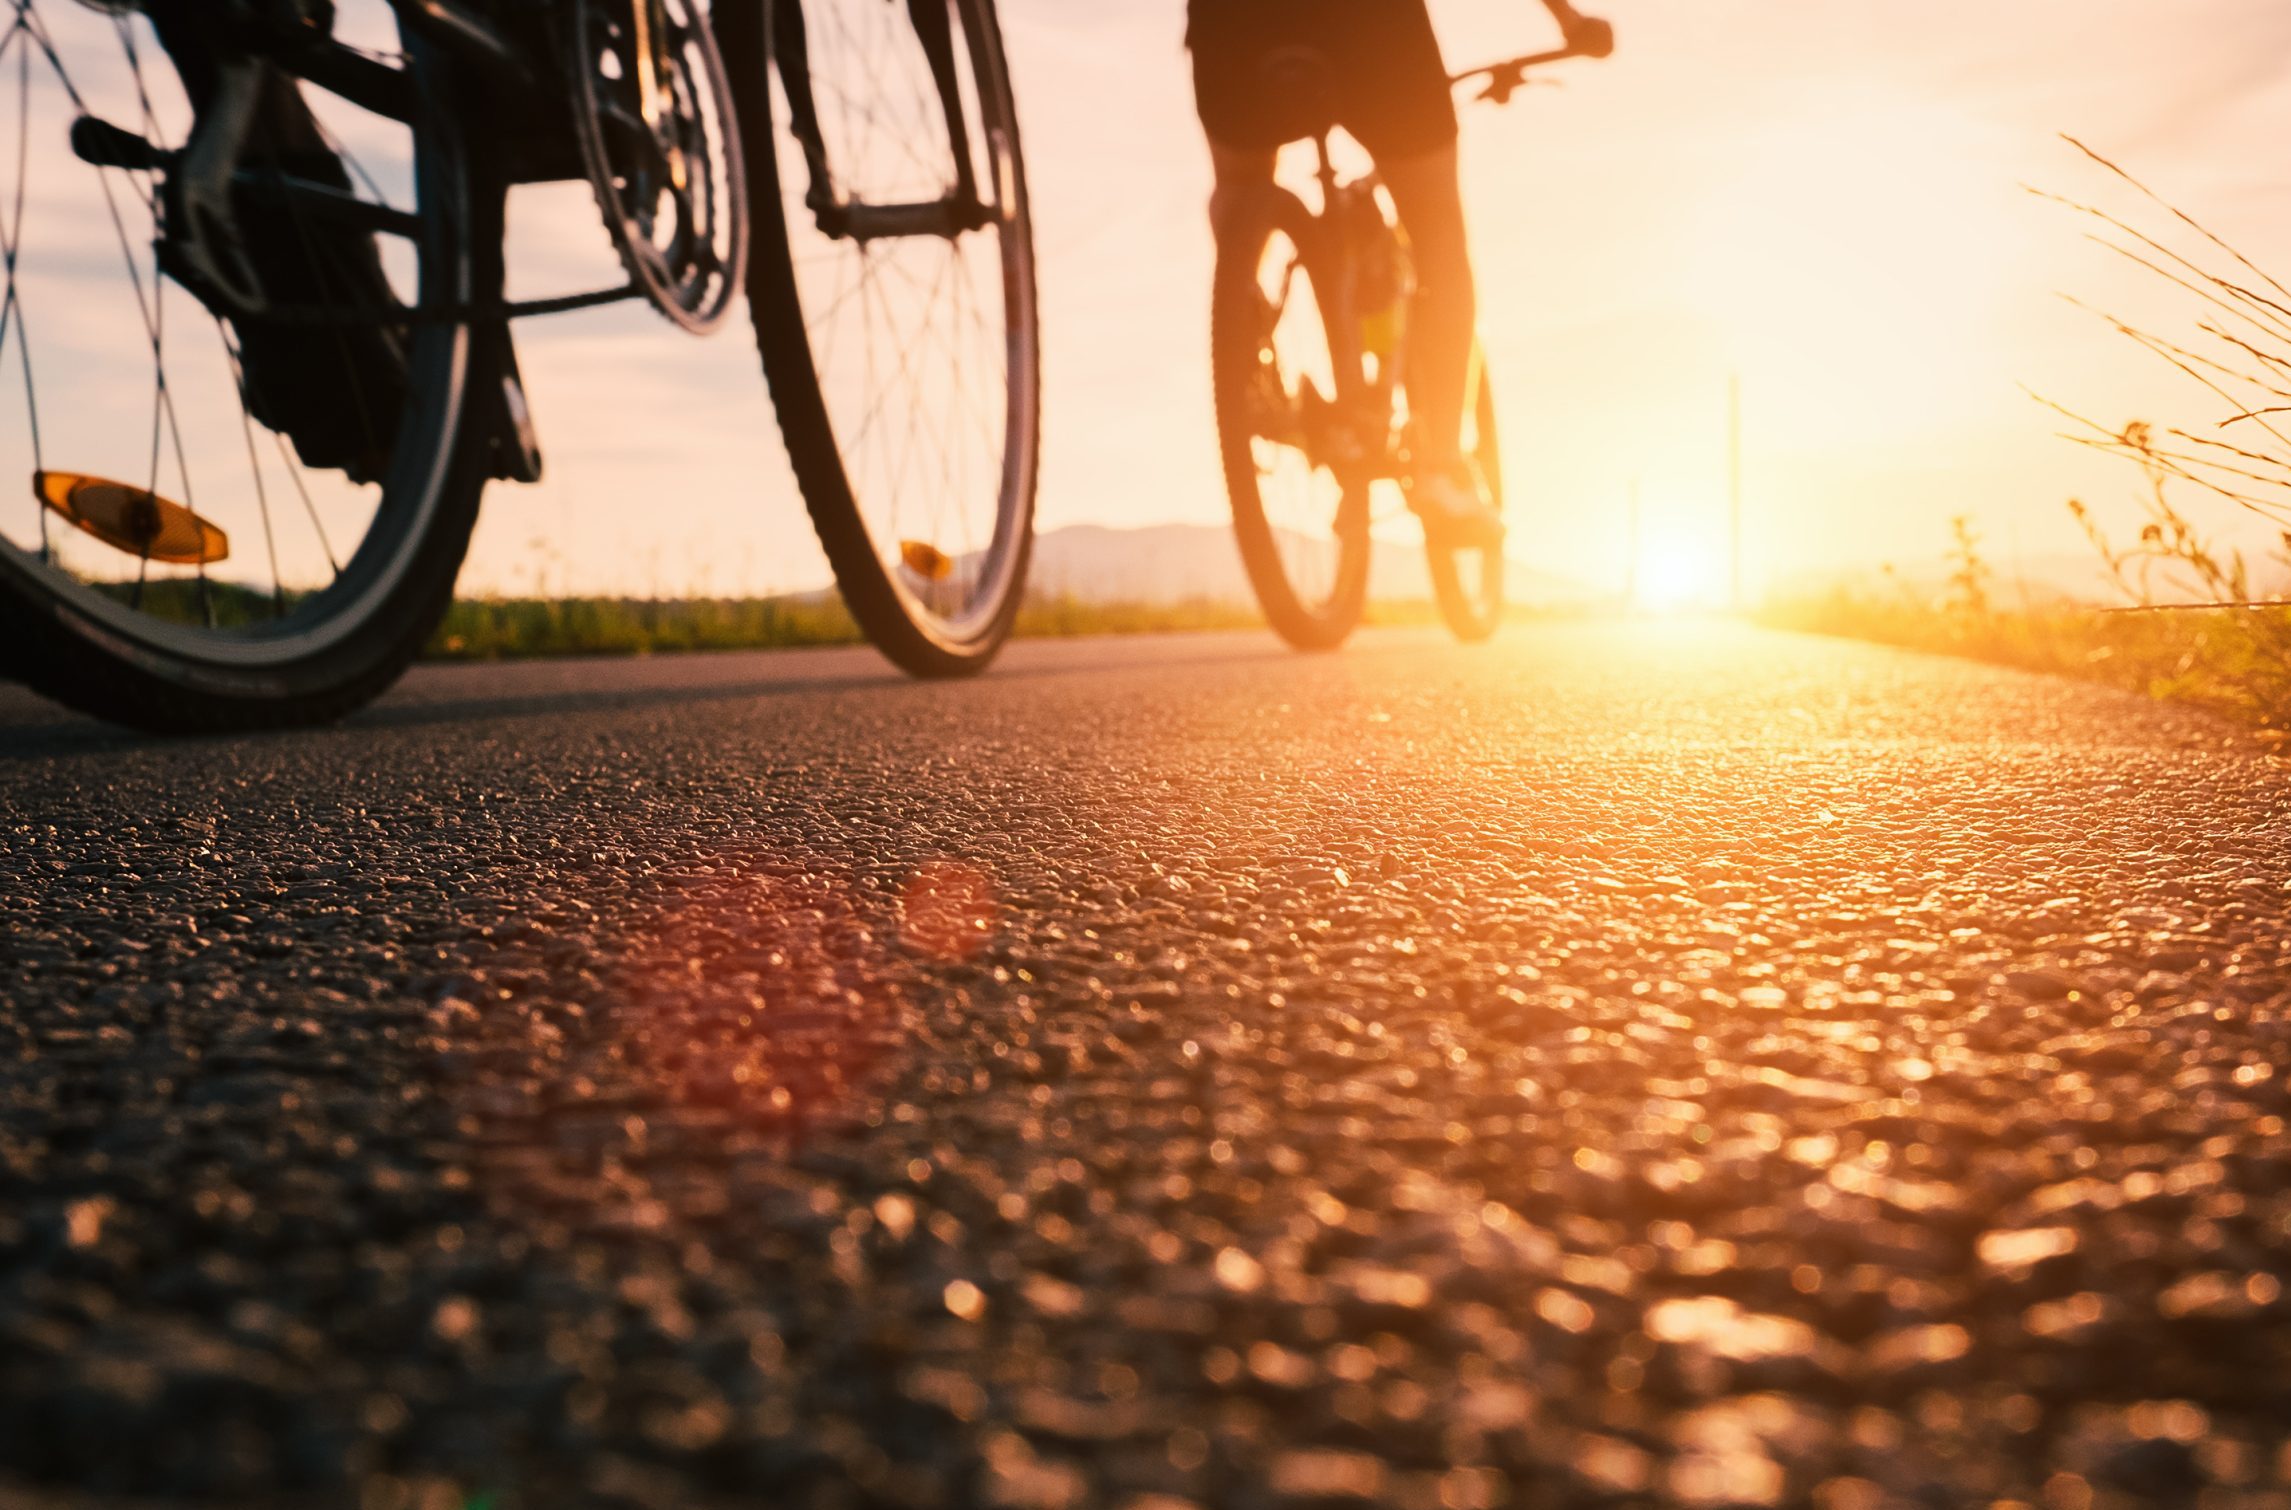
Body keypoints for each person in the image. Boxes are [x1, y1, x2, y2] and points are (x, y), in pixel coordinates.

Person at [1187, 0, 1610, 547]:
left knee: (1240, 192)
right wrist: (1568, 21)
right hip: (1370, 26)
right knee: (1437, 233)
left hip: (1234, 24)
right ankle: (1440, 467)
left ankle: (1244, 333)